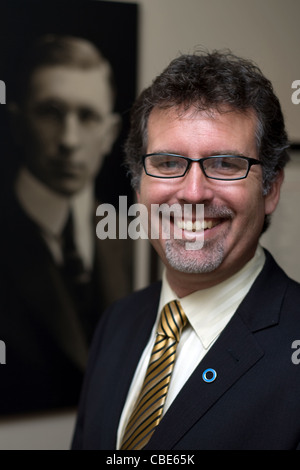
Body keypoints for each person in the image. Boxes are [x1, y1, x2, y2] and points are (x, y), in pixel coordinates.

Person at [71, 50, 300, 450]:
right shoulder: (118, 322)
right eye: (167, 162)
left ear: (271, 190)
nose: (193, 193)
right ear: (139, 184)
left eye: (226, 163)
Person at [0, 35, 132, 414]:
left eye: (87, 117)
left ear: (108, 135)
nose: (69, 140)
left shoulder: (131, 236)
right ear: (18, 123)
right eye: (50, 113)